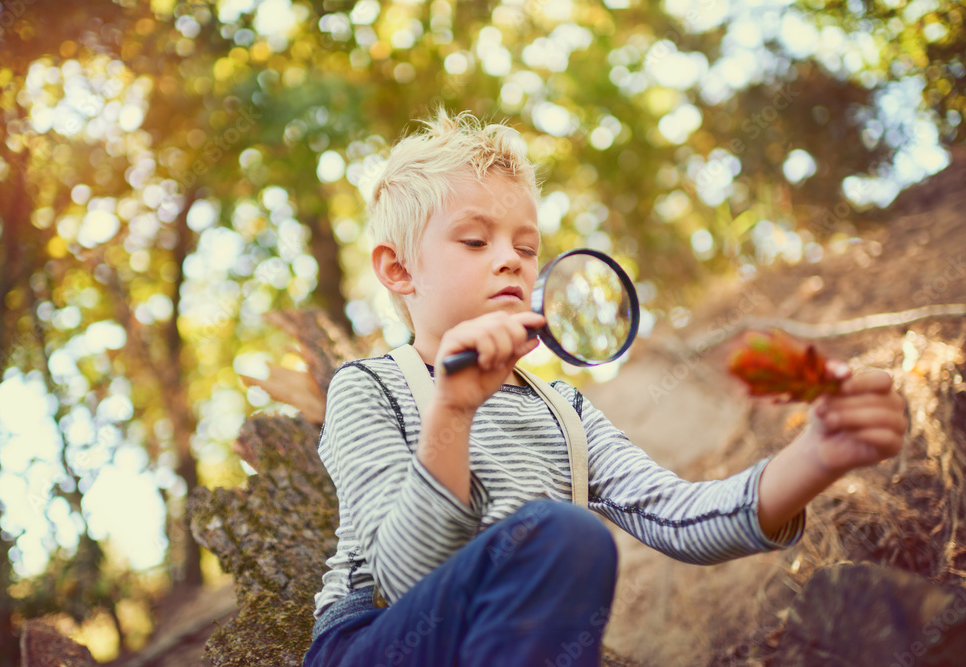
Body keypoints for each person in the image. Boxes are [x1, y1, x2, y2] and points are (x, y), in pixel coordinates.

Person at [301, 108, 909, 667]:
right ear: (399, 268)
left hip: (506, 644)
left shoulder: (563, 412)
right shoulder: (368, 388)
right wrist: (453, 410)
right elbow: (407, 578)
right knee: (567, 533)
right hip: (378, 640)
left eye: (527, 246)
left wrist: (817, 454)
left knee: (566, 542)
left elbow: (682, 518)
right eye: (475, 240)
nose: (512, 259)